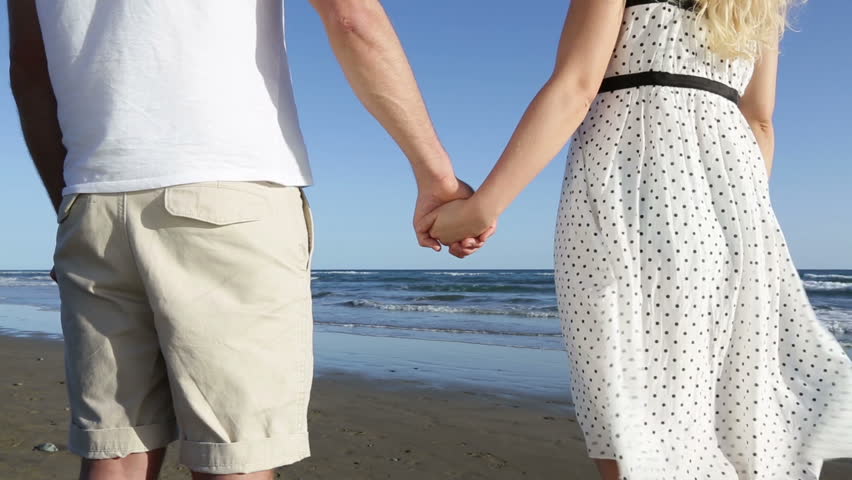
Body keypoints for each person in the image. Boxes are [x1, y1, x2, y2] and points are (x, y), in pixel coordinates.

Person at [8, 0, 488, 479]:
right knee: (235, 458)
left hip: (92, 200)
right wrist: (436, 176)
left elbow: (30, 69)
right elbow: (351, 16)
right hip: (226, 193)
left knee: (116, 455)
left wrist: (71, 208)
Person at [427, 0, 852, 479]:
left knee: (627, 401)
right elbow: (760, 121)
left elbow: (576, 88)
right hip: (737, 204)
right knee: (720, 407)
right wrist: (740, 223)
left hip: (634, 189)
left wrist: (482, 207)